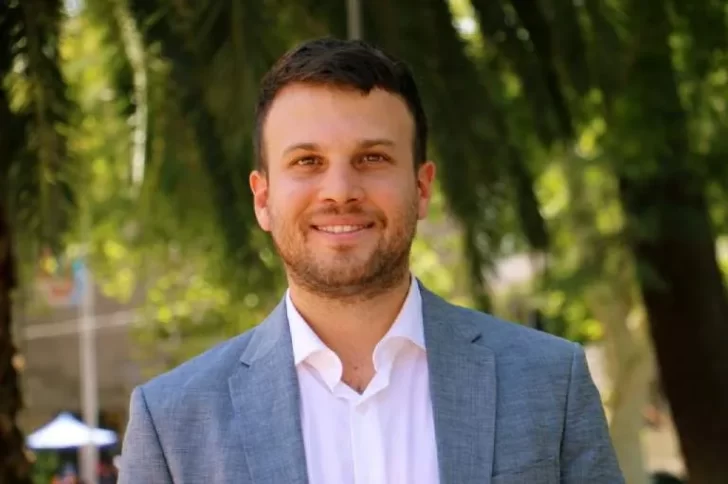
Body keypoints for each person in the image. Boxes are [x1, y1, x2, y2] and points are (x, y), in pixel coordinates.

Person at [119, 38, 623, 483]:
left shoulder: (549, 382)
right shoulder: (173, 423)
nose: (340, 191)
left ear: (421, 187)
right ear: (263, 199)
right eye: (307, 162)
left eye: (373, 158)